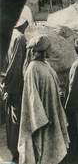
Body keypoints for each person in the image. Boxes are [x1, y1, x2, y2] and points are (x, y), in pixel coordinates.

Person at [18, 35, 69, 164]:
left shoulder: (45, 66)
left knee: (52, 151)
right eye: (47, 49)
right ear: (42, 51)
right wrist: (42, 119)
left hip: (52, 114)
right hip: (43, 120)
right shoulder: (33, 69)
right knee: (43, 151)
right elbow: (32, 98)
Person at [1, 18, 28, 163]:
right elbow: (17, 67)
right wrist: (11, 88)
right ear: (25, 23)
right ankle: (17, 156)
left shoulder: (10, 35)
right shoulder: (20, 38)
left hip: (8, 85)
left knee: (11, 122)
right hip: (16, 87)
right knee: (17, 123)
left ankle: (14, 154)